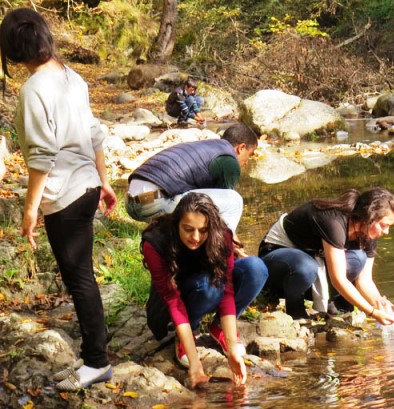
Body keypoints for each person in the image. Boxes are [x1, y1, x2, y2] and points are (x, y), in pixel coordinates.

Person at [0, 8, 117, 391]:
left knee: (78, 276)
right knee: (81, 274)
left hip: (63, 194)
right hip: (85, 187)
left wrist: (30, 208)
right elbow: (95, 133)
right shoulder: (71, 76)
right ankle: (95, 353)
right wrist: (105, 182)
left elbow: (41, 155)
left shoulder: (35, 89)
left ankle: (97, 361)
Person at [141, 192, 267, 388]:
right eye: (188, 229)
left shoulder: (221, 234)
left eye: (203, 230)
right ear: (177, 224)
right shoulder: (155, 243)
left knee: (256, 268)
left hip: (210, 285)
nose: (196, 237)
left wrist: (233, 349)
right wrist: (195, 363)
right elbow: (172, 299)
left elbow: (227, 292)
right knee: (207, 287)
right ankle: (187, 334)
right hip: (179, 295)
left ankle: (219, 328)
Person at [258, 187, 394, 324]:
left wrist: (380, 304)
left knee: (358, 259)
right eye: (384, 225)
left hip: (311, 260)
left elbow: (364, 280)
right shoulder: (333, 221)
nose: (386, 232)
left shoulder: (367, 233)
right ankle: (294, 308)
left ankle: (331, 302)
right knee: (306, 266)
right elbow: (338, 279)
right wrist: (372, 313)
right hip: (276, 258)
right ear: (368, 216)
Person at [125, 123, 257, 242]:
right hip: (154, 204)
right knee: (235, 200)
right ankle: (226, 247)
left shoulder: (209, 146)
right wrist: (237, 244)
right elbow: (223, 211)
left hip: (132, 203)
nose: (246, 162)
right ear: (241, 148)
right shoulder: (229, 161)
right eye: (250, 155)